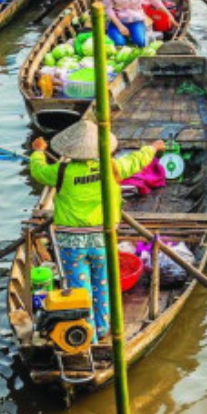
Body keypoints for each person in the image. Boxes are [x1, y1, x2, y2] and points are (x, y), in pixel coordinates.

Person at [30, 122, 163, 342]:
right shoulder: (112, 167)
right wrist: (153, 147)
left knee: (80, 289)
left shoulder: (61, 171)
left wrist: (38, 152)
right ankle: (101, 328)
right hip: (103, 239)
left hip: (71, 244)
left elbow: (38, 171)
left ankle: (87, 335)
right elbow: (137, 160)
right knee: (102, 284)